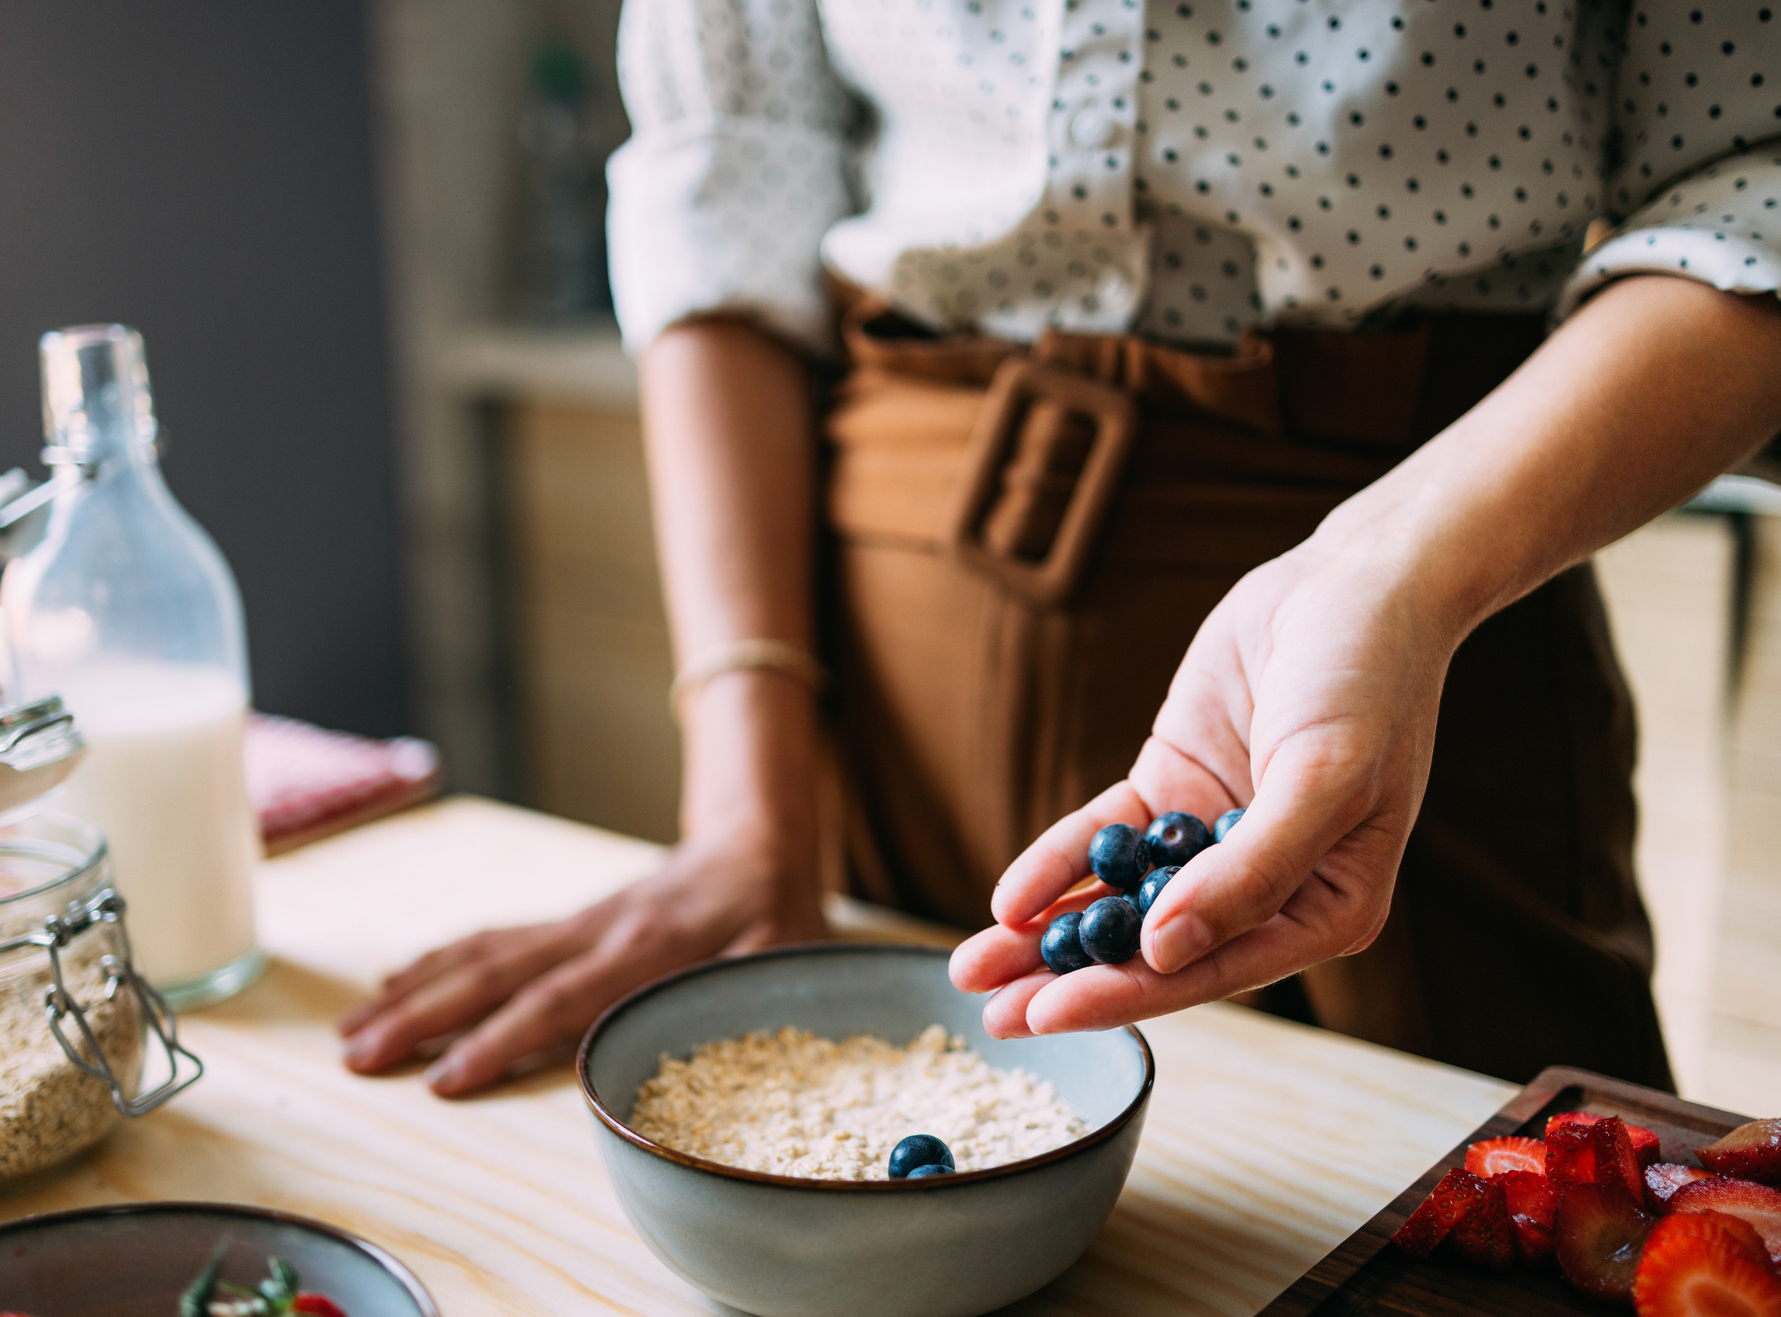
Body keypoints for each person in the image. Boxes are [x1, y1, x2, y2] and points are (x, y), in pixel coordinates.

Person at [342, 0, 1781, 1096]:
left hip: (1422, 624)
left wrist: (1388, 570)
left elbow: (1754, 180)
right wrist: (743, 803)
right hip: (872, 638)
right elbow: (729, 173)